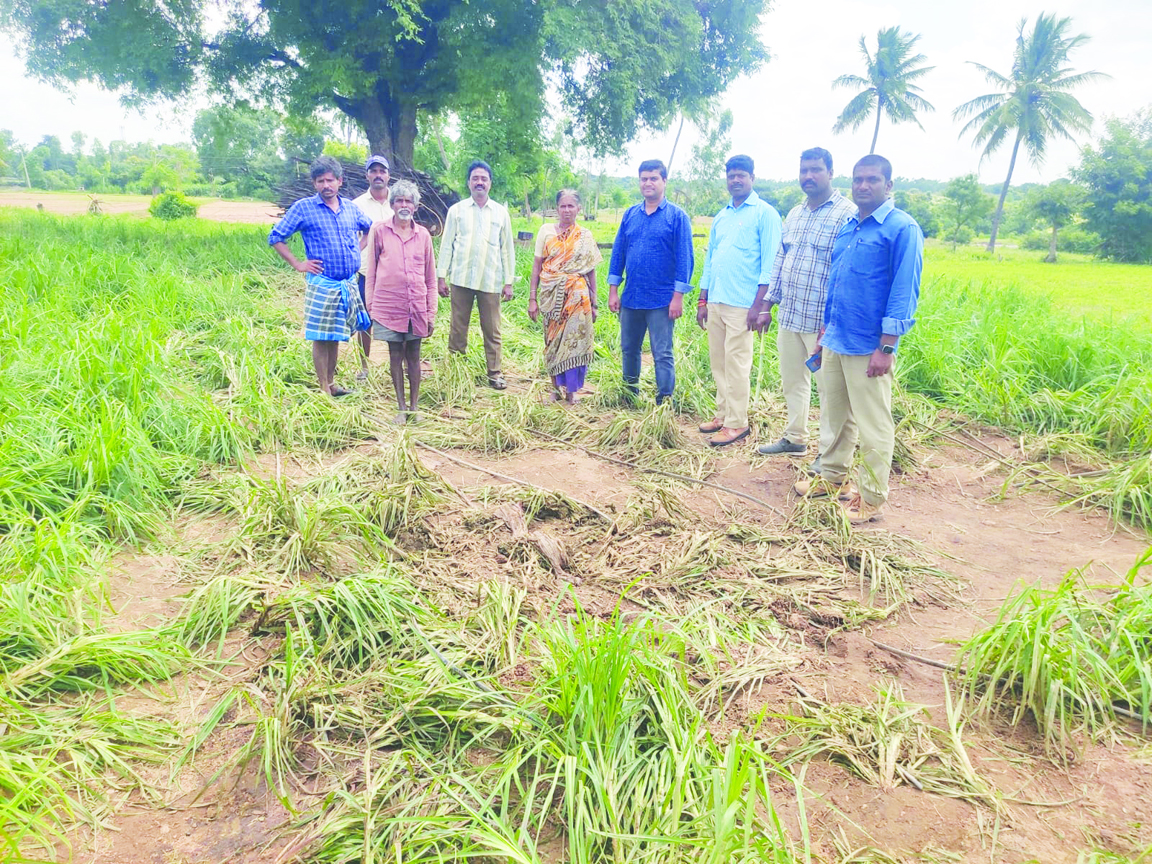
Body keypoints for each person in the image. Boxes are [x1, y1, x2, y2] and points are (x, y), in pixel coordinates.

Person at [795, 154, 923, 523]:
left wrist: (887, 346)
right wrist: (825, 330)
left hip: (869, 345)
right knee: (836, 417)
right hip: (837, 337)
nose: (863, 186)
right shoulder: (850, 226)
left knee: (873, 424)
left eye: (872, 179)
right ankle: (832, 477)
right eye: (858, 180)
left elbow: (903, 291)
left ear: (888, 185)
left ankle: (871, 497)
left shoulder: (901, 228)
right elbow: (837, 283)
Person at [751, 147, 857, 472]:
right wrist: (768, 304)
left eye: (815, 170)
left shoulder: (846, 213)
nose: (808, 176)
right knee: (793, 381)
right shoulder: (795, 213)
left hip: (822, 322)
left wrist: (833, 321)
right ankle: (795, 437)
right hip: (791, 314)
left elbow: (846, 270)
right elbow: (780, 259)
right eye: (804, 171)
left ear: (830, 173)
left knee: (830, 390)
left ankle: (828, 454)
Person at [268, 155, 372, 397]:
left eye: (330, 180)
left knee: (334, 336)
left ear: (340, 181)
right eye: (321, 181)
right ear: (314, 183)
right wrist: (298, 263)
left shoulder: (350, 208)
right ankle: (323, 387)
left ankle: (332, 383)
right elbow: (276, 237)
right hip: (323, 283)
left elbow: (369, 228)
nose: (326, 185)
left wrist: (357, 249)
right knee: (321, 336)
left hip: (346, 283)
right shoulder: (304, 208)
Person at [696, 155, 781, 446]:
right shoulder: (722, 216)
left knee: (737, 365)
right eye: (731, 175)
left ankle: (737, 423)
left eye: (741, 175)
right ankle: (722, 415)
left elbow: (770, 263)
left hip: (744, 305)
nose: (735, 180)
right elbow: (711, 259)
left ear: (752, 178)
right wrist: (703, 300)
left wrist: (760, 305)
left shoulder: (765, 214)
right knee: (718, 363)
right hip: (717, 300)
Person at [607, 159, 694, 405]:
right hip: (632, 296)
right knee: (629, 349)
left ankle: (664, 400)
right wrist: (613, 290)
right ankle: (629, 395)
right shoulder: (630, 215)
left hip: (662, 300)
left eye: (653, 178)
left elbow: (685, 259)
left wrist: (678, 297)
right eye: (644, 179)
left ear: (664, 181)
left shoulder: (677, 217)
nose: (648, 183)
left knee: (662, 352)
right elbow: (618, 253)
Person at [362, 180, 436, 423]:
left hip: (416, 306)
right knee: (395, 354)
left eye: (408, 201)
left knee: (414, 355)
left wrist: (431, 312)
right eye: (399, 201)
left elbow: (430, 278)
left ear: (415, 206)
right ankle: (401, 408)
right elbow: (371, 271)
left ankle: (414, 407)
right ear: (392, 204)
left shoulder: (423, 235)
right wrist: (371, 306)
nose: (404, 205)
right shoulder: (379, 231)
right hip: (388, 306)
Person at [437, 160, 515, 389]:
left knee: (492, 329)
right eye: (475, 178)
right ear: (468, 182)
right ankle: (456, 373)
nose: (479, 182)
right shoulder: (456, 211)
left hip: (490, 280)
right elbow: (447, 244)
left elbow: (507, 249)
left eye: (484, 179)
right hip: (460, 278)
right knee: (458, 327)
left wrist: (508, 281)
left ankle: (494, 373)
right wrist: (441, 276)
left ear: (490, 183)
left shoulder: (500, 213)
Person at [528, 189, 603, 404]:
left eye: (571, 206)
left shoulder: (585, 236)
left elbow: (590, 270)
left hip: (578, 300)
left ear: (579, 208)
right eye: (563, 206)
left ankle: (571, 391)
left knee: (575, 343)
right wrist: (532, 299)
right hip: (551, 297)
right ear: (557, 208)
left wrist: (595, 303)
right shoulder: (545, 231)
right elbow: (537, 266)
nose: (567, 210)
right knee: (552, 342)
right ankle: (555, 389)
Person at [351, 155, 394, 381]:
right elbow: (351, 238)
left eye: (382, 171)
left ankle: (397, 365)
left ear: (388, 175)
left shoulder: (398, 201)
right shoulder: (357, 205)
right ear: (367, 175)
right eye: (373, 171)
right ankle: (364, 366)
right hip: (366, 272)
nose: (378, 175)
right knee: (364, 321)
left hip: (393, 273)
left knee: (396, 320)